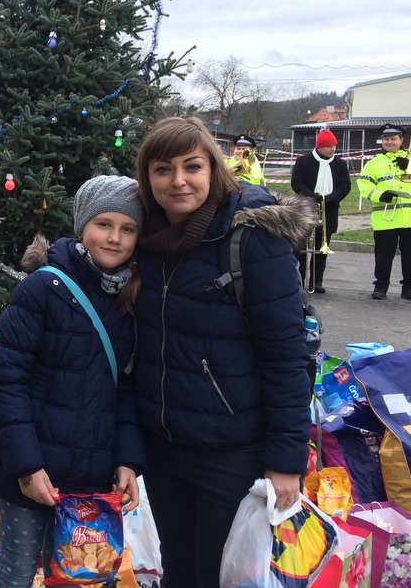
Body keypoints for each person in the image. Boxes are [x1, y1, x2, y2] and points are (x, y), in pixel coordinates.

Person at [133, 117, 315, 587]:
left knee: (224, 576)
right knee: (179, 570)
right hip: (164, 448)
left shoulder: (250, 237)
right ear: (146, 178)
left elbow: (287, 357)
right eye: (162, 169)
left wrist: (286, 460)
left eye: (191, 166)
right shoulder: (143, 240)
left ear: (214, 168)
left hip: (231, 451)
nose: (178, 181)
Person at [0, 174, 146, 588]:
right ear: (82, 227)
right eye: (103, 225)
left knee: (84, 578)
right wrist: (26, 465)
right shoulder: (43, 289)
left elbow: (126, 389)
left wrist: (128, 459)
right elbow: (7, 381)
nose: (114, 238)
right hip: (32, 476)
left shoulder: (131, 299)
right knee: (16, 574)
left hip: (93, 480)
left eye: (128, 229)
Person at [357, 122, 411, 302]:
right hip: (385, 216)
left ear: (401, 140)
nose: (389, 142)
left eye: (393, 138)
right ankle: (380, 286)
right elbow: (364, 184)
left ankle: (409, 288)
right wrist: (380, 195)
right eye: (386, 139)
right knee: (383, 255)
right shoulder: (374, 163)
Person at [290, 128, 351, 293]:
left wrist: (332, 197)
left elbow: (345, 185)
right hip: (306, 208)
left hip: (329, 209)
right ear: (319, 146)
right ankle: (299, 282)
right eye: (328, 146)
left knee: (321, 249)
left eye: (334, 145)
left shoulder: (340, 164)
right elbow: (296, 182)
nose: (332, 149)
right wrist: (312, 196)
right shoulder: (303, 161)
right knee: (301, 250)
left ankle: (317, 282)